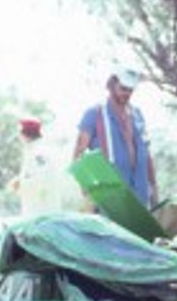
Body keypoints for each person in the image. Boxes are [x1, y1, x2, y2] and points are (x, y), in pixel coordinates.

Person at [73, 66, 157, 205]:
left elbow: (146, 156)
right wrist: (88, 192)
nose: (127, 93)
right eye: (123, 88)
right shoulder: (95, 114)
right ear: (112, 85)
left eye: (131, 90)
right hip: (110, 199)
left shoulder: (137, 115)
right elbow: (78, 156)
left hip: (139, 195)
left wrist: (154, 190)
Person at [10, 118, 75, 215]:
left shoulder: (39, 153)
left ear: (24, 134)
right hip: (36, 210)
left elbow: (42, 181)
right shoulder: (34, 151)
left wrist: (20, 185)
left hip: (42, 212)